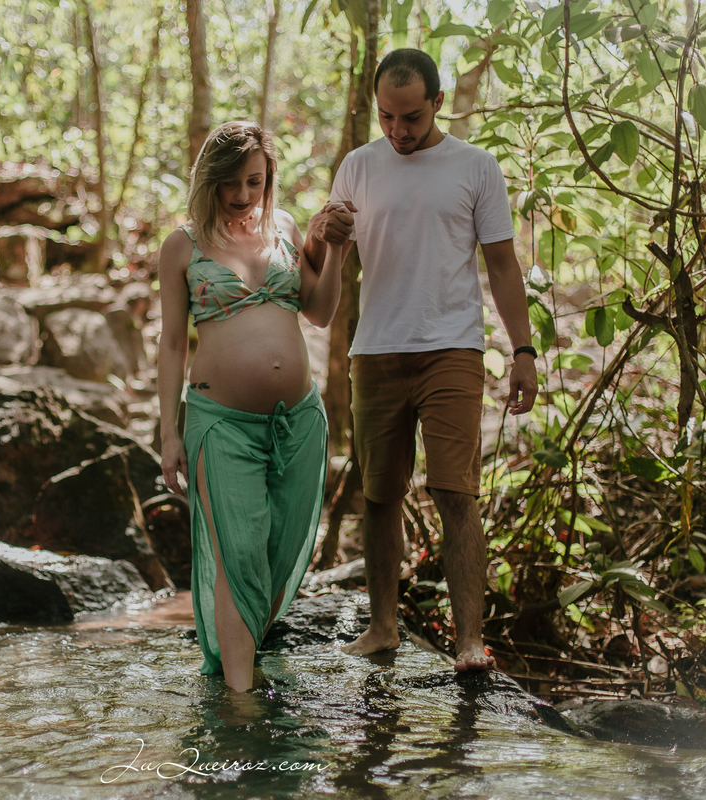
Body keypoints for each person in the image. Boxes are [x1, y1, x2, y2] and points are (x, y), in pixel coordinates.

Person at [304, 48, 540, 671]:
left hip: (452, 348)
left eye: (410, 117)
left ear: (437, 103)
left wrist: (523, 349)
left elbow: (503, 267)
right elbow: (328, 283)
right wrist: (324, 240)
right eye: (385, 117)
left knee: (455, 491)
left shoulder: (475, 167)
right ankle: (383, 627)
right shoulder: (357, 167)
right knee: (379, 496)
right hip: (376, 351)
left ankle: (469, 641)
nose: (397, 131)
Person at [157, 121, 344, 693]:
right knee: (237, 555)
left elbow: (319, 312)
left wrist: (334, 249)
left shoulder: (284, 228)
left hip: (300, 424)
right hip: (221, 426)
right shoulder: (182, 246)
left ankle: (246, 670)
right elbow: (169, 344)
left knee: (277, 553)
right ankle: (240, 708)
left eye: (255, 181)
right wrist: (169, 433)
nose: (243, 195)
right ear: (208, 182)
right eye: (231, 183)